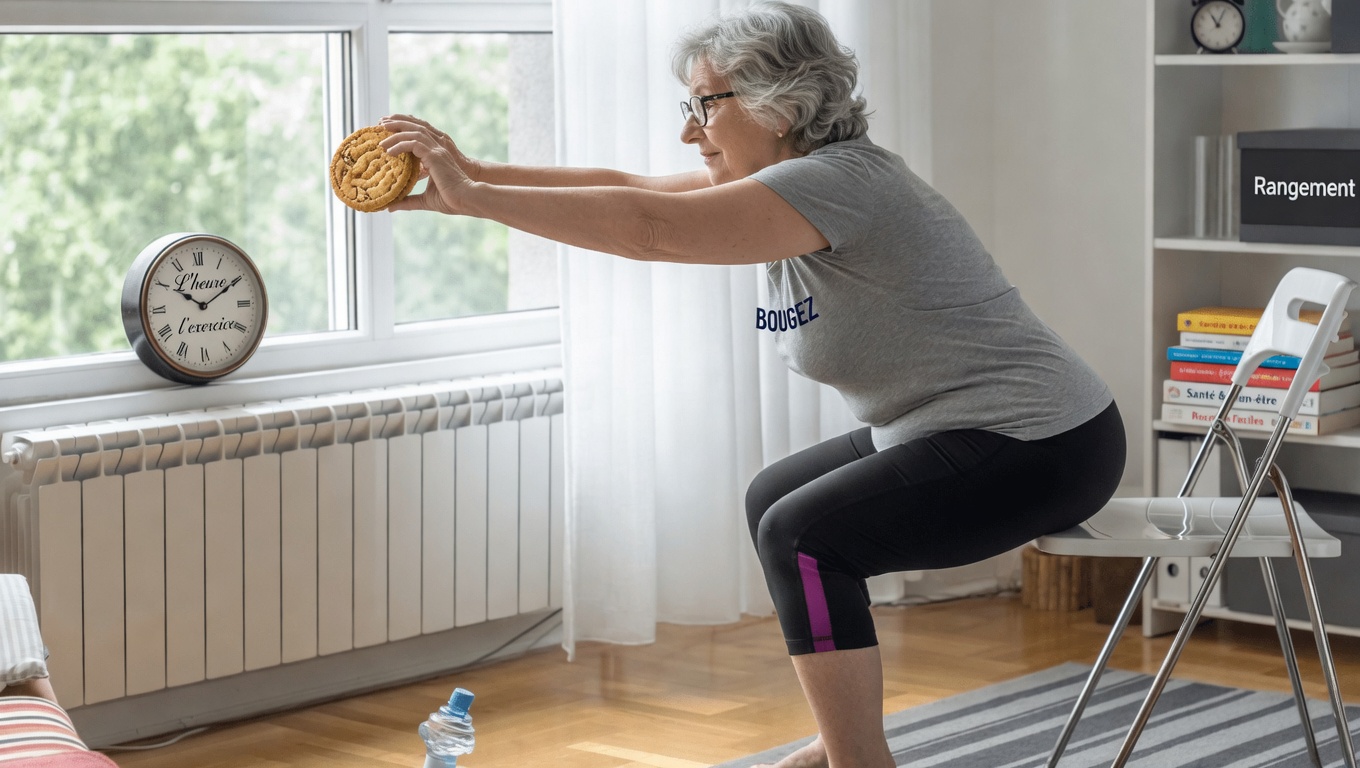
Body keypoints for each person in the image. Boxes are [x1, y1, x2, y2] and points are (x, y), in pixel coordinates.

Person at [378, 3, 1126, 767]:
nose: (689, 130)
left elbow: (647, 227)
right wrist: (471, 174)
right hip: (957, 427)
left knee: (803, 534)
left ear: (782, 105)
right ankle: (841, 741)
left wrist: (476, 198)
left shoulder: (838, 183)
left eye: (705, 104)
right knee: (774, 497)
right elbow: (629, 188)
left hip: (1043, 443)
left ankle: (858, 760)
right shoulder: (788, 183)